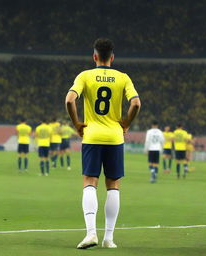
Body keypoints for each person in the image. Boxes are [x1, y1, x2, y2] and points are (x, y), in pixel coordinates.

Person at [65, 38, 141, 249]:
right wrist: (125, 123)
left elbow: (69, 100)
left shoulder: (85, 76)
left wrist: (77, 124)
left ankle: (91, 234)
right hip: (115, 137)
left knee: (90, 182)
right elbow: (136, 103)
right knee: (113, 186)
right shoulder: (123, 78)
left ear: (94, 56)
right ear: (112, 58)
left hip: (92, 136)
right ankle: (109, 238)